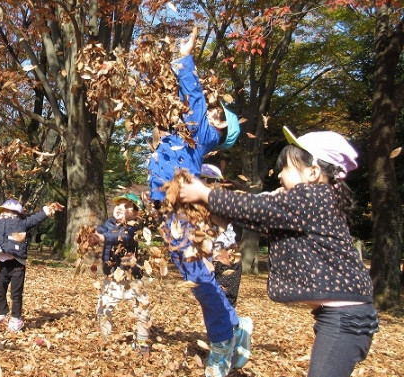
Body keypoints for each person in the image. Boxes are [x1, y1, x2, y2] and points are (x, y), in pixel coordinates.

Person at [179, 127, 379, 377]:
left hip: (345, 318)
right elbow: (262, 215)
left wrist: (205, 194)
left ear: (313, 173)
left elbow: (257, 209)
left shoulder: (312, 198)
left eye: (286, 169)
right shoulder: (319, 200)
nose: (280, 175)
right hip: (342, 315)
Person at [145, 26, 251, 377]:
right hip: (168, 213)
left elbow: (192, 96)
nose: (212, 111)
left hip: (182, 216)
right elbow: (176, 100)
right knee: (198, 278)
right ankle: (235, 326)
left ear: (221, 130)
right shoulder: (181, 134)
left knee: (200, 280)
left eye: (218, 113)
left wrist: (185, 58)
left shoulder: (201, 132)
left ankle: (222, 342)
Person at [0, 195, 62, 332]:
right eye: (3, 211)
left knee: (16, 294)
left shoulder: (22, 223)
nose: (4, 213)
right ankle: (2, 314)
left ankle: (16, 319)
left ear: (17, 213)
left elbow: (36, 218)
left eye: (8, 211)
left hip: (17, 264)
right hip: (2, 264)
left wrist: (50, 209)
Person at [88, 193, 151, 357]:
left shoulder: (134, 226)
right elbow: (98, 231)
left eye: (127, 206)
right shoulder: (108, 224)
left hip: (132, 275)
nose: (120, 207)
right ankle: (106, 338)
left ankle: (143, 341)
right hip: (112, 276)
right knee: (103, 307)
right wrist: (90, 235)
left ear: (136, 213)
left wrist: (102, 237)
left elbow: (123, 236)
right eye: (119, 204)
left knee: (142, 307)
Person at [201, 164, 243, 308]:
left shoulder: (224, 207)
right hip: (209, 261)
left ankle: (232, 327)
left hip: (228, 258)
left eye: (210, 181)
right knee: (212, 304)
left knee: (226, 303)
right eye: (203, 180)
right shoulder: (193, 212)